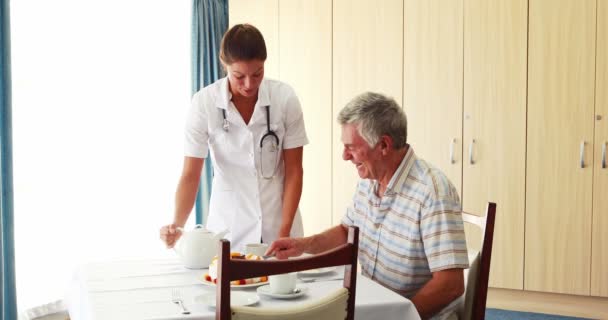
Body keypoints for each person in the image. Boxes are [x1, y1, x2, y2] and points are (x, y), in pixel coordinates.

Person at [266, 92, 468, 320]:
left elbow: (450, 284)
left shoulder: (432, 191)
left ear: (383, 145)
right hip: (378, 306)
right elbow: (346, 232)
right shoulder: (369, 183)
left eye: (351, 147)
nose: (344, 156)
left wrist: (399, 317)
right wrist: (302, 245)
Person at [160, 24, 308, 251]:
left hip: (278, 221)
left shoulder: (284, 98)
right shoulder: (204, 103)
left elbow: (294, 170)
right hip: (229, 228)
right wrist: (177, 225)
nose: (249, 84)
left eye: (257, 74)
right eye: (239, 76)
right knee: (230, 284)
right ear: (225, 65)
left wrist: (284, 232)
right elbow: (191, 174)